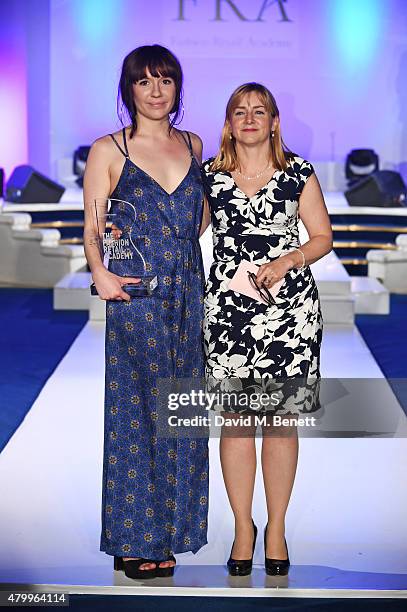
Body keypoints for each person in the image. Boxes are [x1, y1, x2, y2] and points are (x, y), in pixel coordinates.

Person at [83, 44, 209, 580]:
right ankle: (135, 537)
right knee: (136, 417)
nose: (157, 91)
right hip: (138, 301)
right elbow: (91, 226)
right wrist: (100, 271)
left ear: (177, 88)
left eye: (166, 81)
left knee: (181, 415)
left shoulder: (194, 144)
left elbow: (199, 218)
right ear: (129, 89)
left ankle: (172, 532)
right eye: (145, 82)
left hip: (189, 296)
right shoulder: (109, 149)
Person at [200, 82, 332, 576]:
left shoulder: (298, 173)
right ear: (229, 123)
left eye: (260, 111)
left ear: (275, 121)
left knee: (279, 421)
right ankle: (242, 528)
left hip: (289, 313)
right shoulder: (210, 178)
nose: (250, 118)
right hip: (230, 314)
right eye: (240, 111)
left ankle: (275, 528)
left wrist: (288, 259)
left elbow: (323, 236)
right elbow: (185, 230)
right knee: (235, 422)